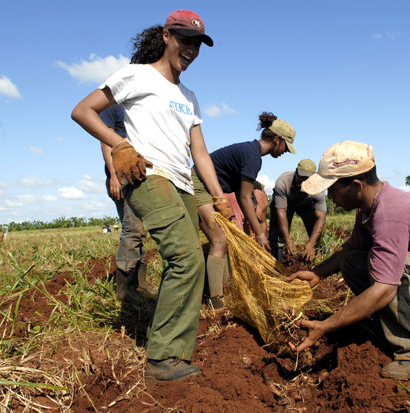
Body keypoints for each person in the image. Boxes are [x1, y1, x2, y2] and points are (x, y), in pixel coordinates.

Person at [72, 9, 232, 383]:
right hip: (147, 176)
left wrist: (219, 196)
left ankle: (174, 349)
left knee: (193, 258)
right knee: (187, 259)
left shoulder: (189, 96)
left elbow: (201, 153)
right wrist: (120, 145)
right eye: (184, 39)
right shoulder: (137, 75)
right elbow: (83, 111)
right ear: (166, 36)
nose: (190, 49)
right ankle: (162, 359)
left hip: (180, 182)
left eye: (197, 43)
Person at [287, 141, 410, 380]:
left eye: (333, 189)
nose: (330, 196)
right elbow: (351, 248)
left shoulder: (391, 214)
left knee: (397, 271)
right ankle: (395, 323)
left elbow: (386, 288)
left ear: (357, 186)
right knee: (352, 261)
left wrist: (327, 325)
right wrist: (317, 273)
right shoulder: (368, 207)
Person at [192, 112, 296, 309]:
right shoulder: (253, 157)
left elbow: (243, 194)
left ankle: (224, 292)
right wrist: (259, 234)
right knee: (220, 239)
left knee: (225, 240)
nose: (285, 152)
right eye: (285, 146)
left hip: (211, 187)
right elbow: (244, 196)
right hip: (200, 184)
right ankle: (217, 301)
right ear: (276, 140)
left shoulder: (250, 151)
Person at [100, 104, 155, 299]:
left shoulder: (138, 108)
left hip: (136, 177)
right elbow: (106, 141)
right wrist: (114, 175)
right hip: (121, 178)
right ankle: (125, 290)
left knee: (139, 231)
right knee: (132, 229)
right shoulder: (113, 107)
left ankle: (139, 285)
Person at [269, 159, 327, 262]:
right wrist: (288, 240)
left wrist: (310, 243)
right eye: (301, 177)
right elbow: (281, 213)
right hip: (285, 203)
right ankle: (276, 259)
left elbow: (321, 218)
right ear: (296, 172)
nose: (304, 181)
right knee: (277, 232)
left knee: (315, 230)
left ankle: (318, 259)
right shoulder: (283, 182)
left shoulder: (318, 189)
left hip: (306, 205)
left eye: (307, 178)